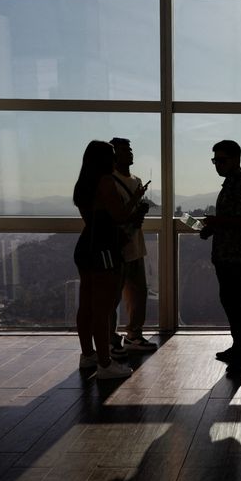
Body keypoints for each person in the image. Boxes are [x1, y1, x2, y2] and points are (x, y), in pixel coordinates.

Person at [72, 140, 146, 379]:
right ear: (105, 159)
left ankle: (88, 355)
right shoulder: (105, 181)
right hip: (105, 248)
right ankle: (105, 364)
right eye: (112, 154)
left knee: (86, 305)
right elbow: (119, 216)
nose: (115, 158)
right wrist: (135, 203)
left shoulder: (83, 184)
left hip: (86, 245)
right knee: (102, 309)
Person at [200, 140, 241, 372]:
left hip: (237, 255)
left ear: (236, 159)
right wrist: (213, 228)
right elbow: (235, 219)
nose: (217, 165)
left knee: (232, 300)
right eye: (215, 160)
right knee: (231, 300)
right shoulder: (232, 185)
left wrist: (216, 222)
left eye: (221, 160)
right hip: (228, 254)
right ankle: (239, 347)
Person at [108, 137, 157, 355]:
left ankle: (133, 334)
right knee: (114, 296)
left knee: (138, 292)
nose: (129, 153)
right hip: (118, 247)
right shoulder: (109, 181)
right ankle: (110, 339)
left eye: (130, 149)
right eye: (124, 150)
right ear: (114, 155)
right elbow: (115, 215)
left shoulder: (136, 180)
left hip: (134, 244)